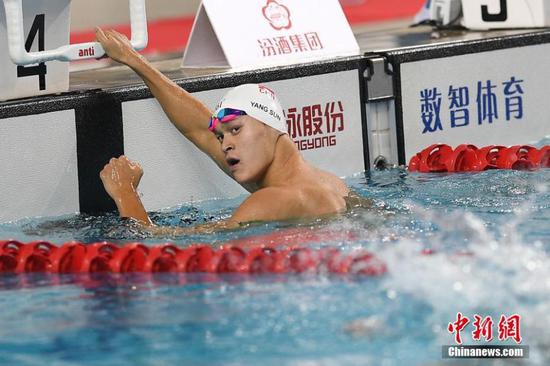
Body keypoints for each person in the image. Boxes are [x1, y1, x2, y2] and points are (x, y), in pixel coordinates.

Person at [96, 28, 352, 235]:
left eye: (235, 130)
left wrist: (125, 192)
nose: (225, 145)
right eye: (221, 136)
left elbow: (157, 245)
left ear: (270, 128)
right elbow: (201, 129)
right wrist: (133, 59)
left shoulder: (271, 201)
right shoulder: (330, 184)